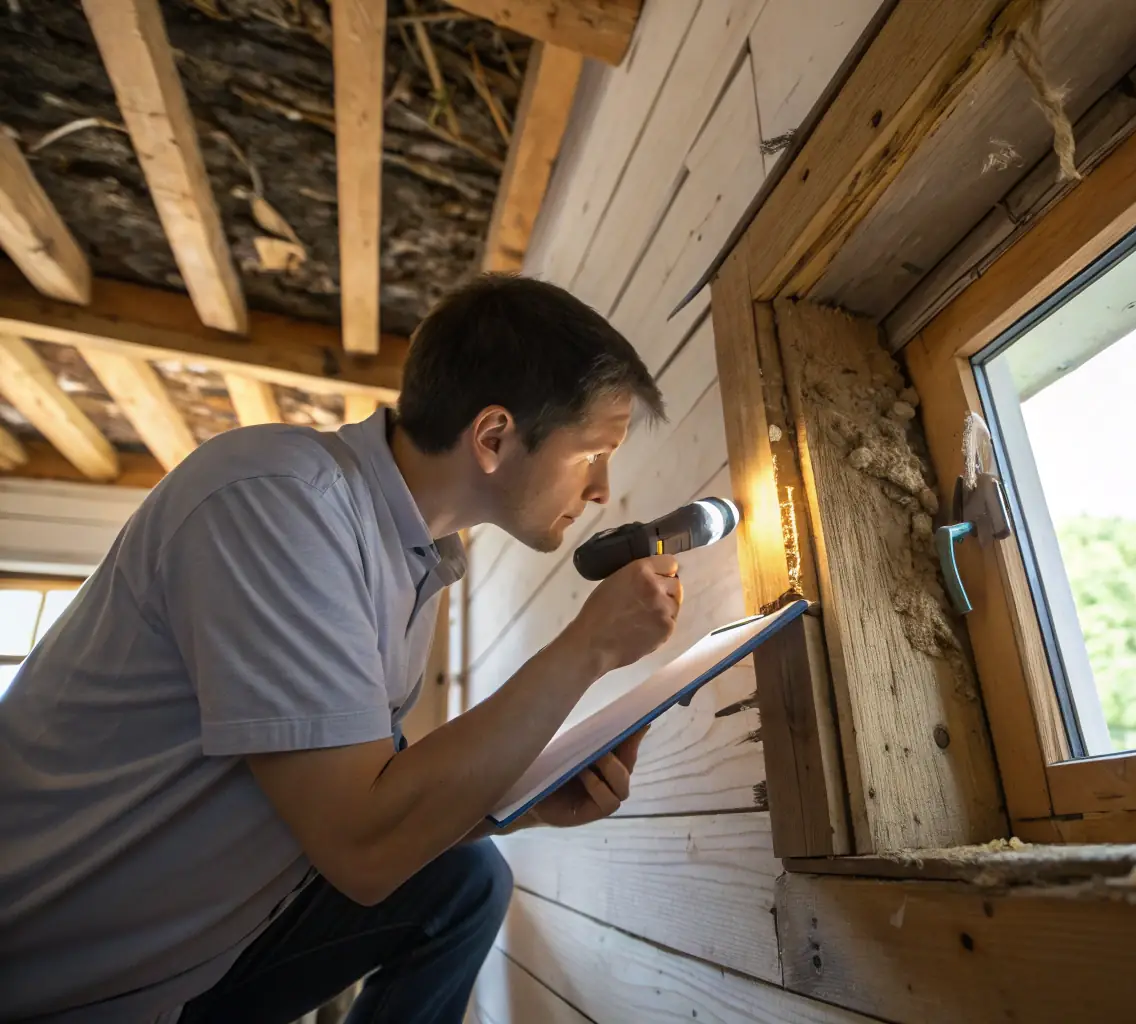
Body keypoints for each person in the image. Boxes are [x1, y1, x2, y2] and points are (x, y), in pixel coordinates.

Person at [0, 276, 682, 1024]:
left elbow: (377, 792)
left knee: (463, 882)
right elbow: (362, 847)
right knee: (437, 877)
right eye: (593, 453)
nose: (602, 491)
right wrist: (588, 645)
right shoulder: (277, 499)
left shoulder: (413, 559)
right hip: (47, 974)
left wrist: (513, 803)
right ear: (492, 437)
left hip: (182, 955)